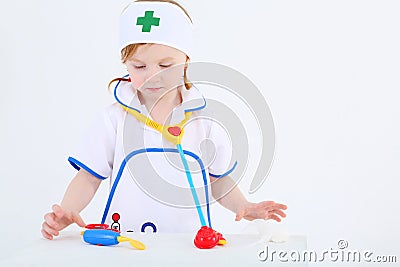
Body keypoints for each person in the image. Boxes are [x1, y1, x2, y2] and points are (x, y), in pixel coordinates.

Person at [41, 0, 287, 240]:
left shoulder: (205, 122)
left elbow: (218, 180)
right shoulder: (114, 119)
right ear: (125, 64)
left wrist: (244, 206)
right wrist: (68, 209)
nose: (152, 76)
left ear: (186, 62)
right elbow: (88, 176)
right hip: (124, 243)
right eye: (139, 66)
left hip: (188, 244)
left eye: (165, 65)